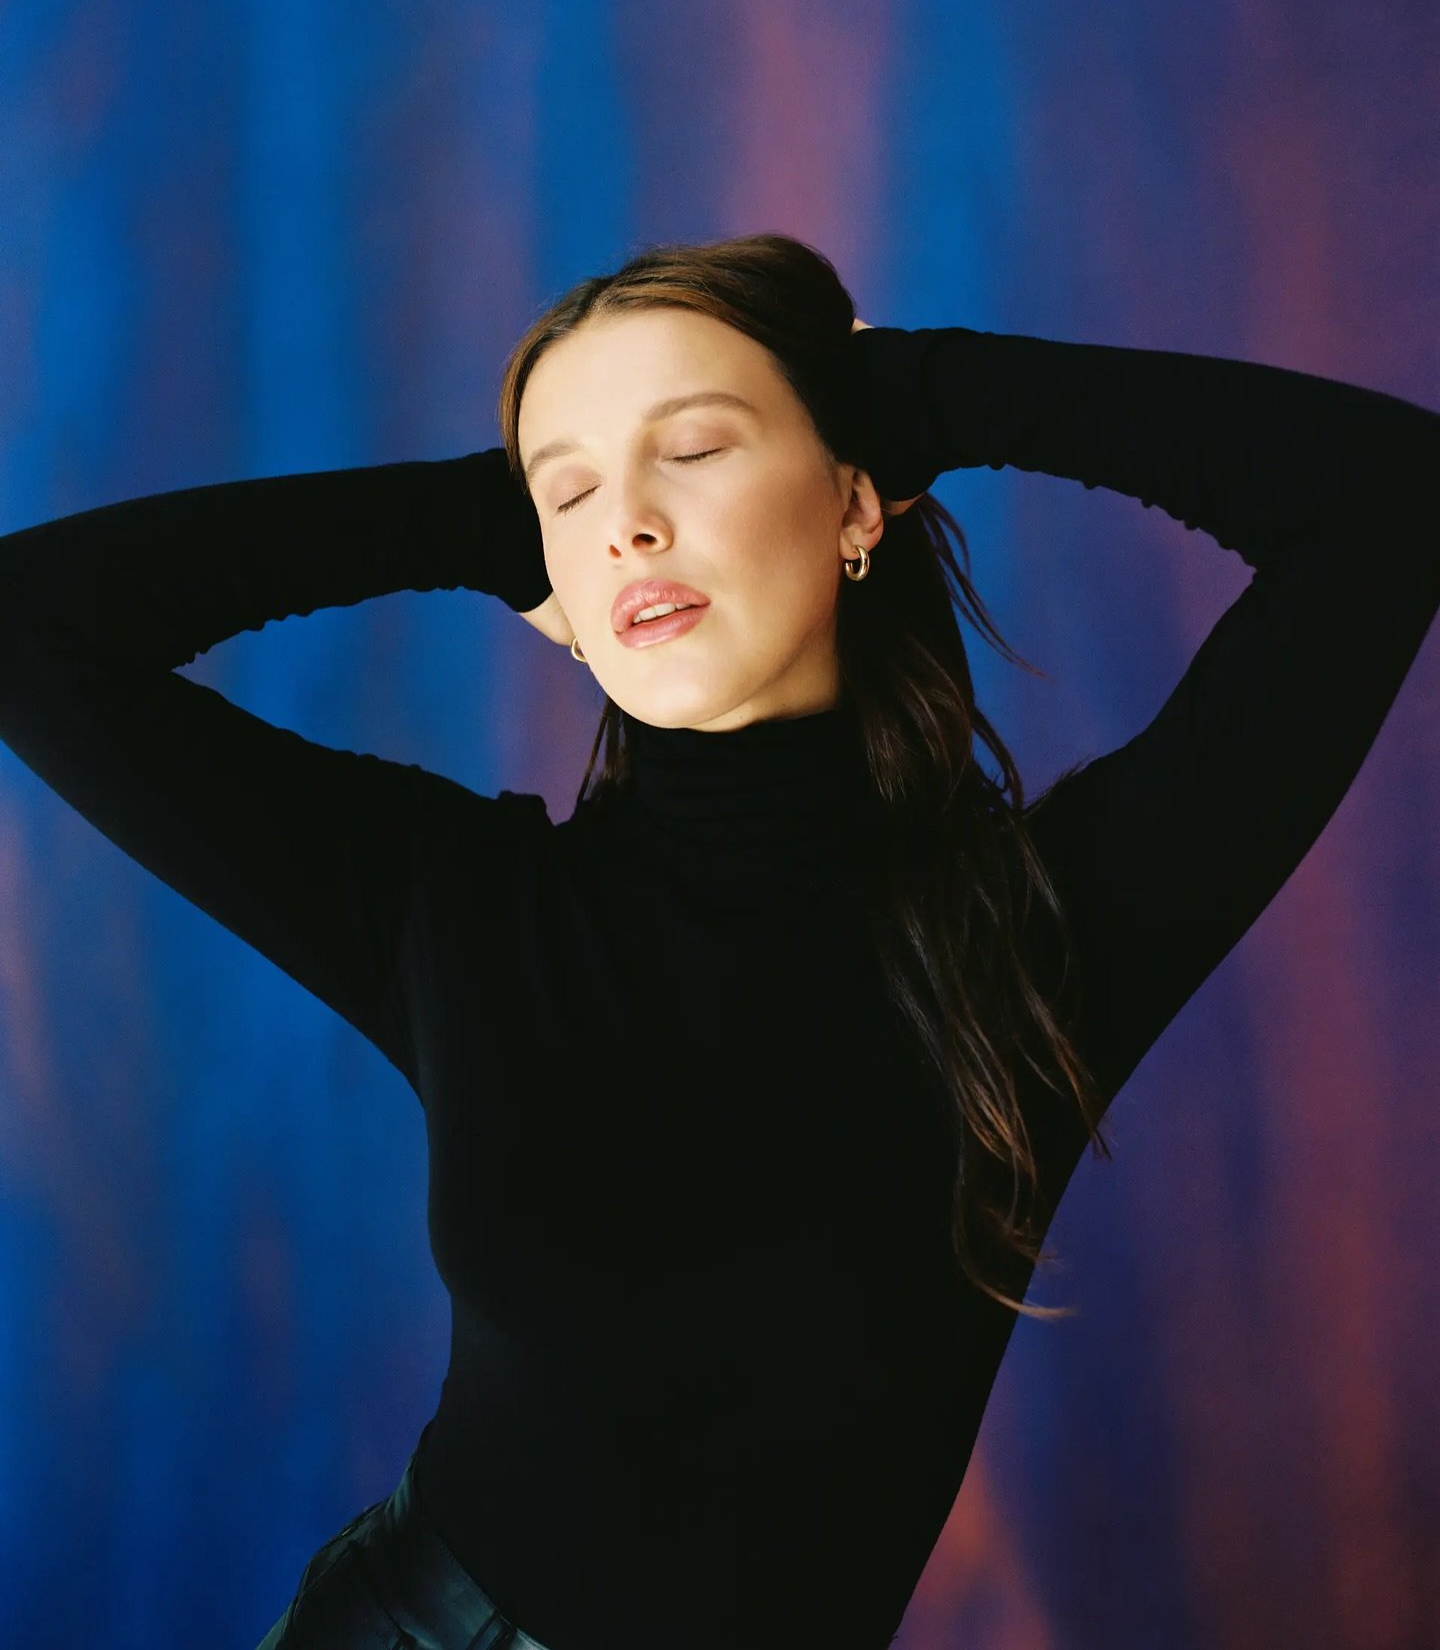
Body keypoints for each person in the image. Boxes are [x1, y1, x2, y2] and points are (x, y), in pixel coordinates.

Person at [1, 231, 1435, 1650]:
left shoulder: (1043, 928)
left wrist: (923, 395)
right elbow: (31, 633)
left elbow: (1387, 499)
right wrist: (480, 525)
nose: (626, 522)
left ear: (855, 501)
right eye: (568, 489)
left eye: (692, 449)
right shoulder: (453, 904)